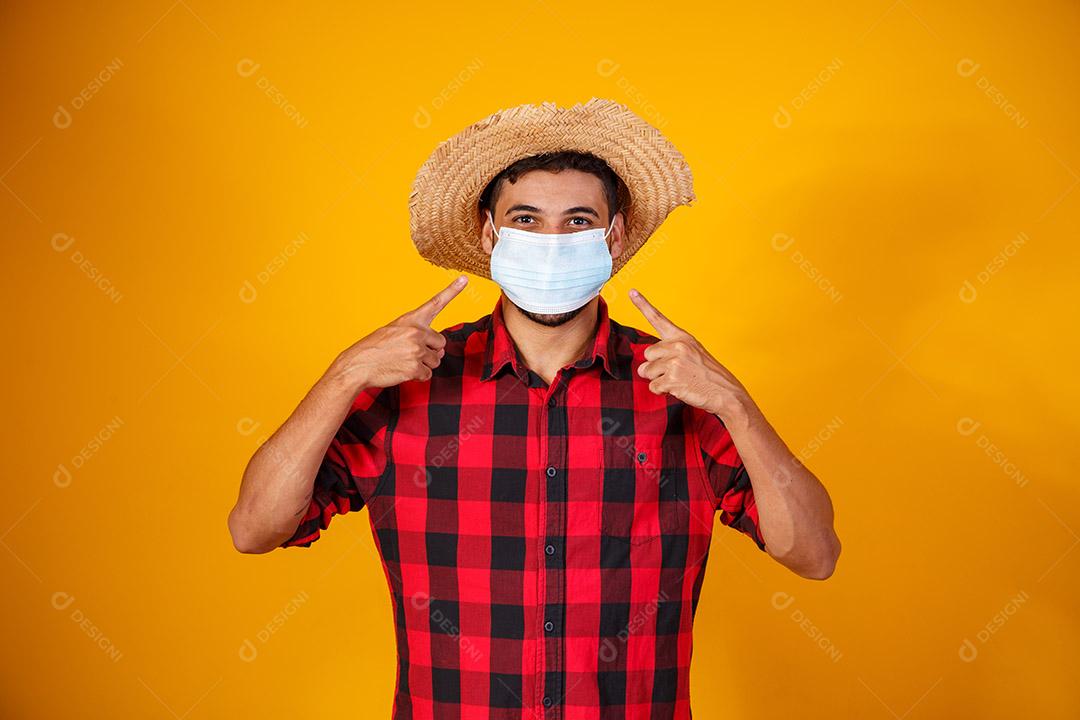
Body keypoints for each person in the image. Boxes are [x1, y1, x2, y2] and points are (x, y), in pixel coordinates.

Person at [228, 98, 840, 719]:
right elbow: (255, 527)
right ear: (490, 235)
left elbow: (813, 552)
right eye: (526, 219)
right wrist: (344, 375)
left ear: (615, 235)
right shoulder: (404, 386)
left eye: (578, 221)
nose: (551, 241)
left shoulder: (681, 389)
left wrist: (734, 402)